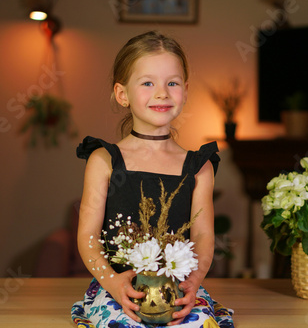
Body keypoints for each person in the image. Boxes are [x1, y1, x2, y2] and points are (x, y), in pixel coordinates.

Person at [71, 30, 234, 328]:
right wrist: (113, 283)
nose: (162, 93)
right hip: (118, 290)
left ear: (185, 90)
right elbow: (88, 237)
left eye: (172, 83)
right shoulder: (104, 160)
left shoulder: (198, 167)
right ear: (122, 94)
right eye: (147, 83)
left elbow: (203, 237)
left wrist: (193, 282)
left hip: (178, 290)